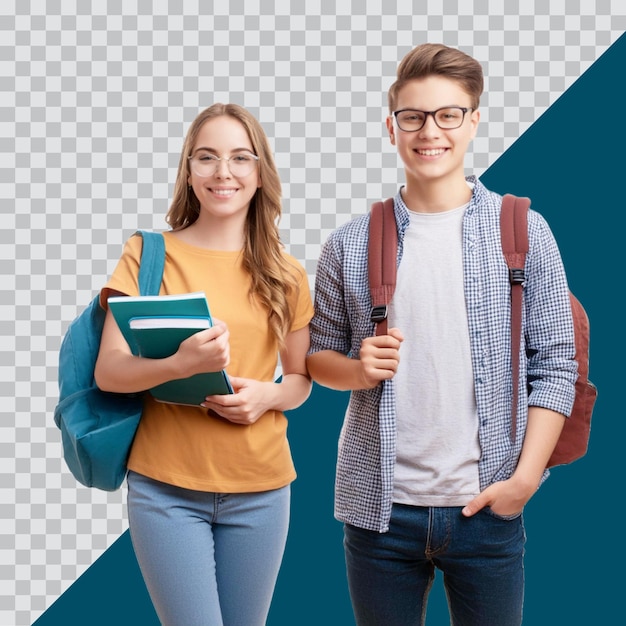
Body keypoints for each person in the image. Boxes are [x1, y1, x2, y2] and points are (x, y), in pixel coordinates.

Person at [306, 43, 577, 626]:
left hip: (489, 507)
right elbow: (315, 356)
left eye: (447, 114)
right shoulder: (351, 242)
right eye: (413, 116)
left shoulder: (524, 230)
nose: (430, 132)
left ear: (474, 119)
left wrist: (524, 480)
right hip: (380, 512)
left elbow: (555, 365)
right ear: (392, 126)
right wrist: (356, 369)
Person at [94, 103, 313, 626]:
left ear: (260, 174)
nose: (223, 173)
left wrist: (268, 396)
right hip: (165, 489)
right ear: (188, 171)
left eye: (240, 158)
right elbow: (109, 372)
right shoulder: (148, 255)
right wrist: (178, 363)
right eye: (207, 158)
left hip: (262, 489)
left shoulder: (287, 274)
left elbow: (302, 379)